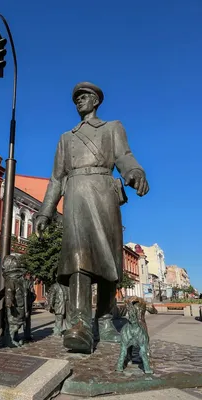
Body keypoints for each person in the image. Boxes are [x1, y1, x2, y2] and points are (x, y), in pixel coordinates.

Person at [35, 82, 149, 353]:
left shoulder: (112, 128)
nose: (79, 101)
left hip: (103, 193)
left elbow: (125, 157)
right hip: (75, 196)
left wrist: (135, 172)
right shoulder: (66, 137)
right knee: (78, 258)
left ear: (96, 101)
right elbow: (56, 178)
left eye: (84, 97)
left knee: (109, 258)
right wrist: (45, 211)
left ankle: (107, 320)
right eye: (76, 98)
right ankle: (81, 324)